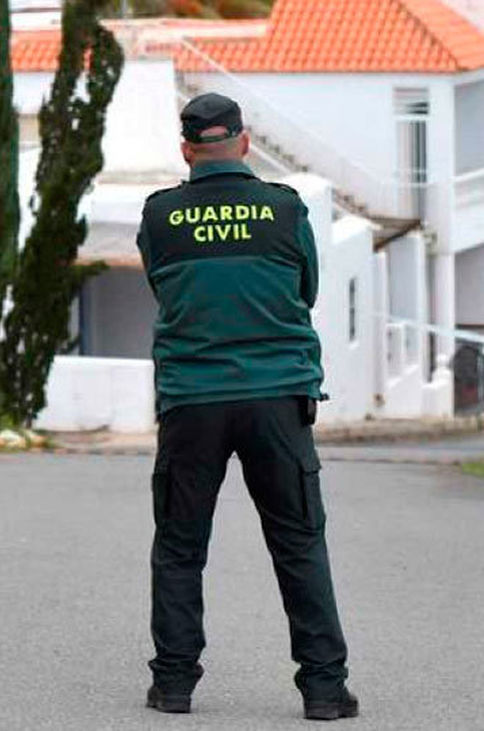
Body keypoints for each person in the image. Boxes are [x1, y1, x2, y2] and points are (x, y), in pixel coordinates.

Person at [135, 92, 357, 721]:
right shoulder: (285, 210)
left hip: (192, 401)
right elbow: (306, 290)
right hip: (276, 399)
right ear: (243, 142)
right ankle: (323, 690)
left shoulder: (160, 216)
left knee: (181, 546)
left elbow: (160, 288)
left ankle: (173, 685)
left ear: (186, 149)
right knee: (299, 544)